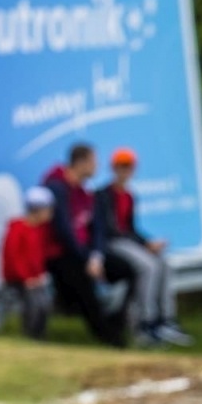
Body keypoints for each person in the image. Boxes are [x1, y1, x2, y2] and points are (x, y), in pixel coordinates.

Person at [93, 147, 192, 347]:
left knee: (164, 263)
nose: (125, 170)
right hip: (113, 243)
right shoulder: (103, 194)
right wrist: (142, 244)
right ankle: (146, 321)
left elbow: (131, 227)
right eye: (121, 166)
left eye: (128, 166)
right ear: (114, 168)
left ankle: (166, 319)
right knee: (148, 266)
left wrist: (148, 243)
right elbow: (110, 229)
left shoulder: (129, 196)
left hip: (128, 241)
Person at [41, 143, 124, 347]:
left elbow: (97, 227)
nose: (97, 166)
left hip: (86, 253)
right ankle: (109, 338)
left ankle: (119, 325)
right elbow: (63, 231)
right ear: (81, 163)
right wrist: (87, 258)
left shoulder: (85, 191)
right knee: (82, 281)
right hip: (60, 254)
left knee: (128, 270)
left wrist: (96, 256)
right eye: (94, 162)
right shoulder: (56, 187)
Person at [2, 186, 55, 339]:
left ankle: (40, 336)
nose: (51, 214)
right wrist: (26, 278)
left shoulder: (40, 230)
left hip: (35, 279)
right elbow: (13, 258)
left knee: (44, 304)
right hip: (18, 279)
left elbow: (39, 257)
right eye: (48, 210)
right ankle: (29, 336)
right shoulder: (17, 229)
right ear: (37, 210)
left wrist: (39, 276)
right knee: (34, 304)